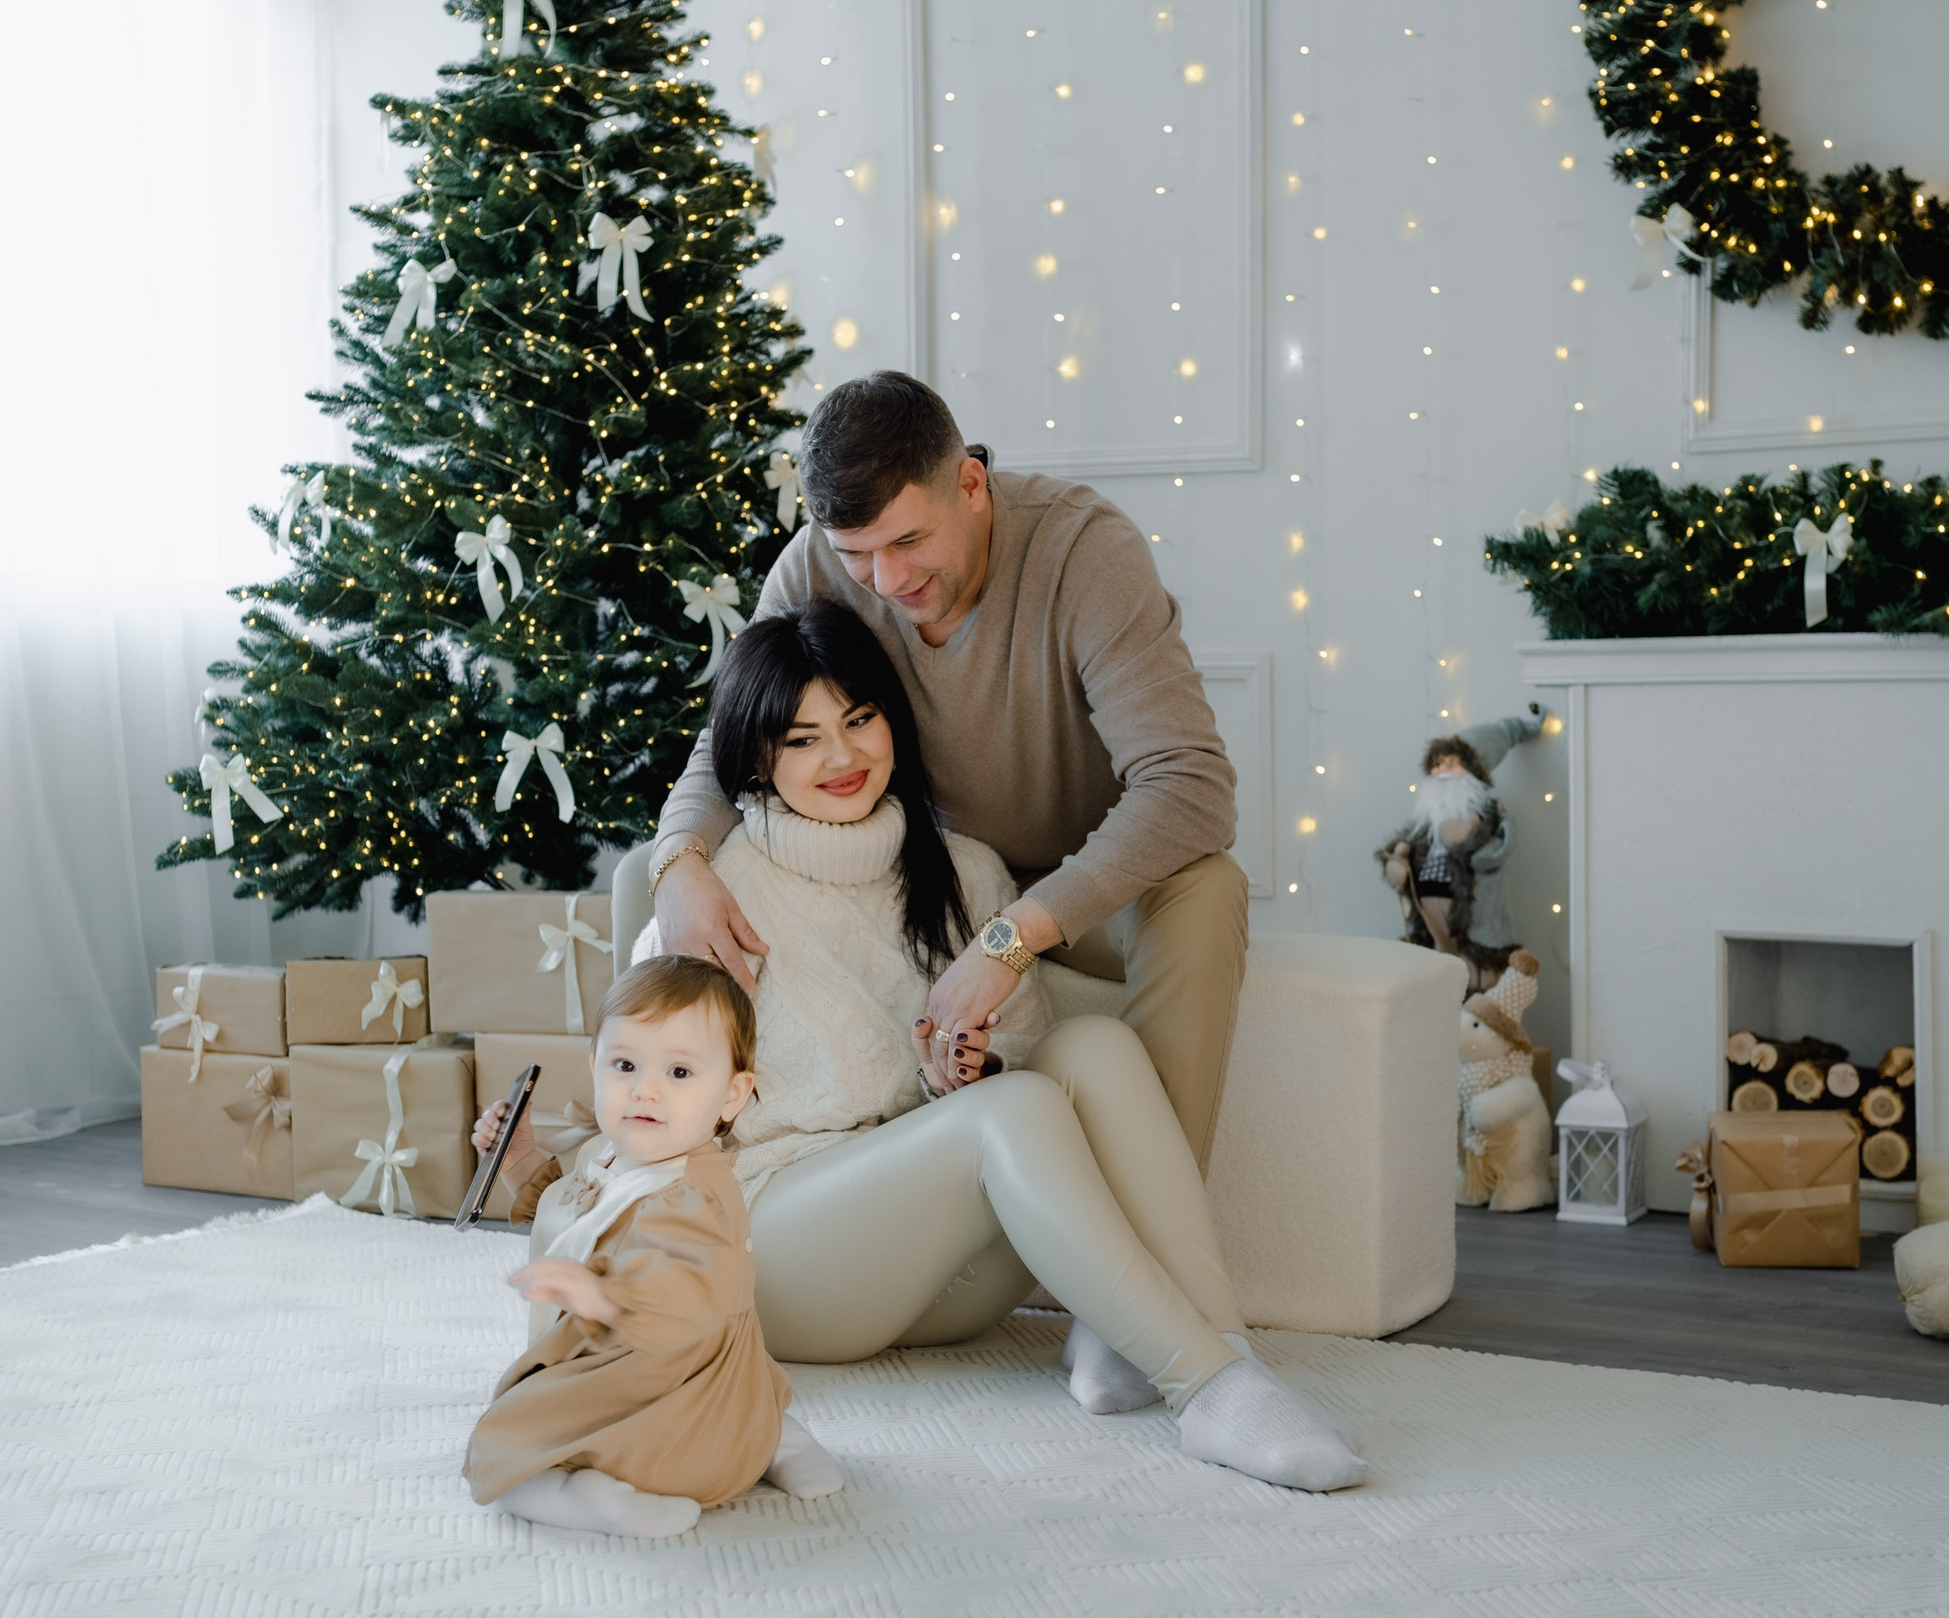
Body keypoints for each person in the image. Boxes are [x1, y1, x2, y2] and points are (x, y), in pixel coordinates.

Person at [510, 603, 1364, 1494]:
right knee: (1020, 1108)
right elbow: (651, 1110)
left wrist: (961, 1073)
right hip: (776, 1248)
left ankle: (1217, 1347)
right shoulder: (713, 897)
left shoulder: (967, 875)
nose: (841, 758)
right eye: (801, 740)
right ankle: (1208, 1390)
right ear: (756, 757)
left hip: (935, 1275)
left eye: (859, 720)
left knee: (1096, 1048)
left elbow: (1023, 1060)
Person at [652, 370, 1246, 1171]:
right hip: (936, 877)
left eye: (907, 542)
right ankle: (679, 1193)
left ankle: (1153, 1226)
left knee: (1208, 888)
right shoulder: (815, 569)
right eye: (856, 554)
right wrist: (677, 859)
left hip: (1085, 885)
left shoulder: (1086, 552)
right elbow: (730, 740)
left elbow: (1190, 784)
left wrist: (1010, 939)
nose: (887, 582)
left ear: (971, 482)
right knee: (650, 879)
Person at [464, 956, 839, 1538]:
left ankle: (587, 1495)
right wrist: (518, 1163)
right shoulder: (614, 1153)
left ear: (732, 1095)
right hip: (709, 1371)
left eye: (680, 1073)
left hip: (662, 1375)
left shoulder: (692, 1196)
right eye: (624, 1064)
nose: (645, 1090)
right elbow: (582, 1211)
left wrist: (608, 1295)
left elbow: (685, 1285)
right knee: (744, 1393)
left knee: (500, 1447)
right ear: (594, 1068)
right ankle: (773, 1434)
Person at [1375, 711, 1545, 993]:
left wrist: (1469, 838)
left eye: (1453, 764)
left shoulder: (1487, 814)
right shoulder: (1424, 823)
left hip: (1472, 917)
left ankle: (1478, 1025)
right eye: (1438, 763)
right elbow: (1399, 846)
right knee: (1438, 975)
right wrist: (1396, 862)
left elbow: (1497, 850)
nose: (1443, 771)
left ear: (1472, 770)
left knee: (1479, 978)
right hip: (1428, 914)